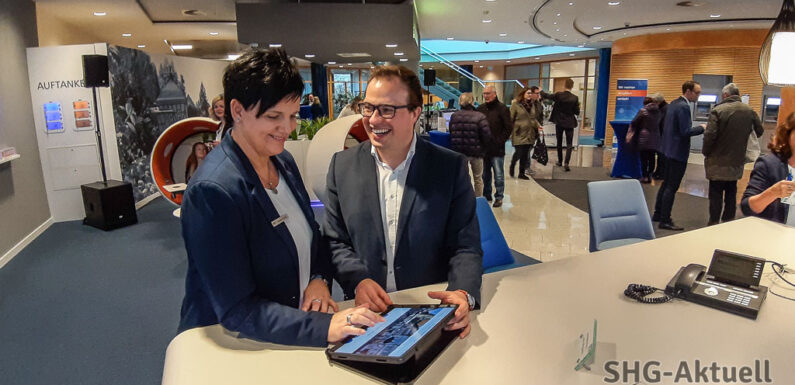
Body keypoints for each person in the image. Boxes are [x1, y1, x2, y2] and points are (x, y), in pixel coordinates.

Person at [179, 48, 383, 347]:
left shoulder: (282, 160)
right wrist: (323, 328)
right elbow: (237, 309)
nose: (287, 128)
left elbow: (312, 237)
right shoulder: (213, 191)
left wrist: (318, 279)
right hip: (233, 343)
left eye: (293, 116)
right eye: (274, 116)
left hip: (287, 326)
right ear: (237, 111)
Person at [323, 65, 483, 338]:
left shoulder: (449, 167)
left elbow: (465, 244)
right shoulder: (342, 165)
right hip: (367, 316)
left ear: (415, 113)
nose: (373, 120)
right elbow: (335, 240)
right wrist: (358, 280)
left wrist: (462, 294)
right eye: (368, 108)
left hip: (430, 309)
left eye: (386, 110)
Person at [703, 83, 764, 225]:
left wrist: (706, 152)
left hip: (717, 160)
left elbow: (710, 135)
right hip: (737, 159)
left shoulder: (718, 110)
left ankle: (713, 222)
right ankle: (728, 221)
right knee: (731, 192)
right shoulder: (749, 110)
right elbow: (759, 131)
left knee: (716, 193)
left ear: (725, 95)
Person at [652, 80, 706, 231]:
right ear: (688, 91)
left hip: (668, 150)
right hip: (677, 153)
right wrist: (701, 128)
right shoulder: (683, 107)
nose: (698, 96)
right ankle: (665, 219)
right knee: (671, 186)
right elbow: (685, 132)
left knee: (665, 184)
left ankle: (658, 213)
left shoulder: (673, 104)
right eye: (697, 92)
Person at [741, 112, 795, 224]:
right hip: (775, 234)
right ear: (788, 134)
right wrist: (773, 193)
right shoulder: (770, 164)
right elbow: (747, 208)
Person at [449, 92, 492, 196]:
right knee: (478, 178)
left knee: (465, 178)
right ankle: (478, 201)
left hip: (460, 153)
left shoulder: (454, 116)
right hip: (476, 153)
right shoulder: (480, 116)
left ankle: (466, 200)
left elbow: (451, 132)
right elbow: (487, 135)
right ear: (472, 102)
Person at [477, 85, 513, 207]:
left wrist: (500, 141)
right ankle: (486, 194)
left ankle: (499, 196)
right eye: (484, 94)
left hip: (497, 149)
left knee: (498, 174)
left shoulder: (502, 109)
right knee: (485, 174)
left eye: (488, 93)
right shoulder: (480, 109)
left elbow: (508, 128)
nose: (486, 96)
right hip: (484, 149)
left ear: (494, 94)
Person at [540, 78, 580, 171]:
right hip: (570, 123)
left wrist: (541, 90)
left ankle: (560, 161)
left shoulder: (558, 95)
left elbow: (547, 96)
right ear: (572, 86)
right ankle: (567, 162)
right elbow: (577, 112)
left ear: (564, 85)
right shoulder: (575, 98)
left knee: (559, 142)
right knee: (569, 144)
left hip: (559, 122)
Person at [509, 86, 544, 180]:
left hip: (529, 133)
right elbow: (511, 119)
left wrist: (538, 125)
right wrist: (510, 131)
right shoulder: (516, 105)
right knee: (519, 152)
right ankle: (513, 164)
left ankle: (521, 173)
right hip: (519, 132)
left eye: (530, 93)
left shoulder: (532, 105)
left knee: (525, 154)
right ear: (523, 94)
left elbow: (533, 118)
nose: (530, 95)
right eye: (528, 93)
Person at [630, 93, 665, 183]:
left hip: (644, 138)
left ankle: (644, 176)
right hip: (656, 137)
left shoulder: (643, 111)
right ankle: (650, 175)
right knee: (652, 157)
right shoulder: (659, 112)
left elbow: (634, 122)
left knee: (644, 158)